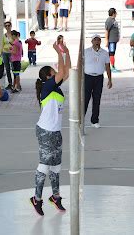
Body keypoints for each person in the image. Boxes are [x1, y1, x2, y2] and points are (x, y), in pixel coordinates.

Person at [30, 41, 71, 216]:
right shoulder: (47, 87)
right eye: (53, 72)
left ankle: (55, 196)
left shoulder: (56, 88)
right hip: (46, 131)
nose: (57, 73)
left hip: (55, 132)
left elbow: (66, 72)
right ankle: (36, 198)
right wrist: (57, 51)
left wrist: (66, 52)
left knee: (56, 166)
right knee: (45, 165)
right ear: (48, 76)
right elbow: (62, 72)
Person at [79, 34, 112, 129]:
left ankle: (94, 120)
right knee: (85, 99)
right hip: (88, 77)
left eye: (98, 40)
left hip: (99, 78)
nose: (97, 42)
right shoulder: (86, 52)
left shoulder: (105, 53)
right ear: (92, 41)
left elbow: (107, 66)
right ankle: (81, 121)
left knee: (97, 100)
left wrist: (110, 79)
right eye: (95, 40)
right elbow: (81, 65)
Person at [105, 8, 120, 72]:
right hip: (111, 41)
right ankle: (112, 67)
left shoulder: (113, 20)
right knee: (111, 54)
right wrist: (106, 40)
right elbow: (106, 30)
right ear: (113, 13)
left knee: (112, 53)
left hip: (114, 41)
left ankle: (110, 66)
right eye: (116, 13)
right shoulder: (109, 20)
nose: (116, 14)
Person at [1, 21, 14, 89]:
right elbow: (2, 44)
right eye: (6, 26)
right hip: (5, 53)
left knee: (13, 68)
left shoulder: (13, 34)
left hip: (12, 53)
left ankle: (16, 83)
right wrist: (0, 53)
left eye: (9, 25)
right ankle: (10, 83)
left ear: (11, 26)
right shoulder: (4, 35)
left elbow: (16, 43)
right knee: (7, 68)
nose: (7, 27)